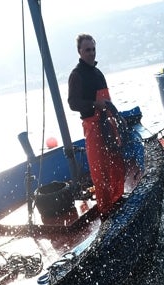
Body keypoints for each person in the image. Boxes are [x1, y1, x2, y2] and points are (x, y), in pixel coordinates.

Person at [67, 34, 126, 216]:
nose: (91, 53)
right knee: (99, 169)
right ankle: (106, 209)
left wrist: (118, 117)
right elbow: (72, 103)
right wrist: (94, 104)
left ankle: (117, 198)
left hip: (107, 123)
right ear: (79, 52)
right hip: (92, 125)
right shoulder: (76, 75)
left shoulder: (98, 73)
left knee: (115, 163)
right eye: (87, 50)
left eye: (93, 49)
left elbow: (107, 101)